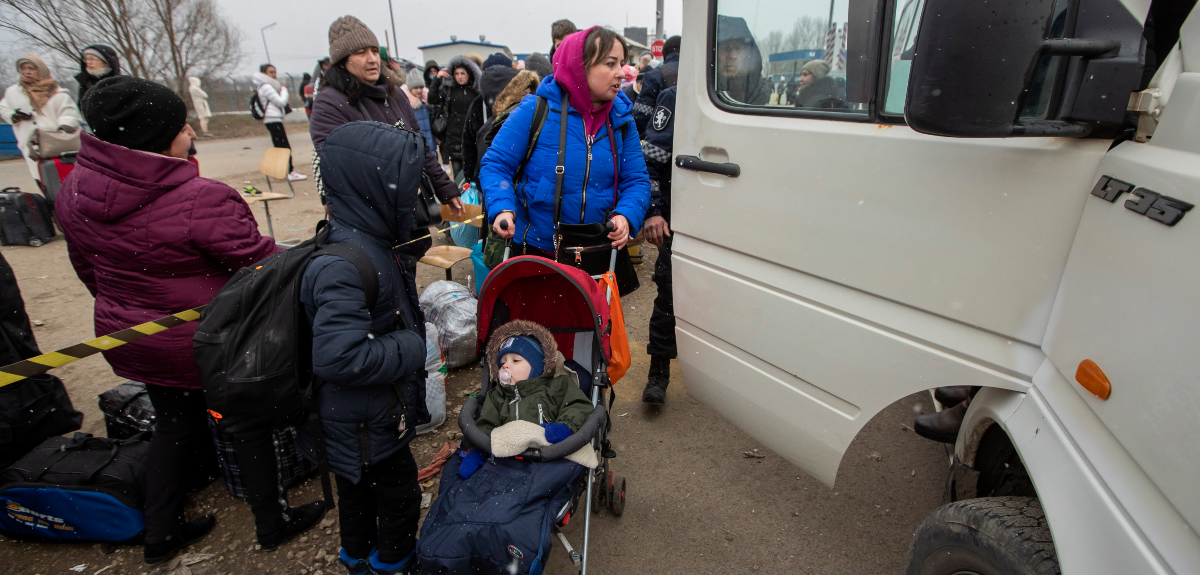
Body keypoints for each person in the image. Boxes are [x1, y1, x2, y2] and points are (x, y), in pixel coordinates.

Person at [56, 76, 298, 565]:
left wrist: (129, 309)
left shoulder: (75, 190)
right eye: (180, 123)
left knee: (173, 428)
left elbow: (88, 270)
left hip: (136, 337)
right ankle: (273, 522)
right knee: (244, 425)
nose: (190, 129)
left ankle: (161, 531)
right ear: (158, 138)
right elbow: (263, 266)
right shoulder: (202, 199)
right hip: (211, 344)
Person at [307, 121, 428, 575]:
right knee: (398, 497)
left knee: (356, 492)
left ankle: (356, 557)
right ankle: (393, 563)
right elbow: (340, 356)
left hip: (361, 414)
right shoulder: (345, 263)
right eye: (405, 188)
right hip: (362, 418)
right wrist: (411, 346)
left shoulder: (368, 240)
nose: (414, 198)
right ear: (374, 186)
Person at [481, 27, 651, 257]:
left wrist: (626, 214)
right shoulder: (534, 110)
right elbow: (496, 164)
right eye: (611, 64)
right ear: (580, 66)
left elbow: (636, 181)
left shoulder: (622, 120)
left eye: (622, 63)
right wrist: (502, 207)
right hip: (536, 250)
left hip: (597, 251)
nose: (621, 73)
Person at [308, 15, 463, 263]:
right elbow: (341, 171)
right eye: (360, 52)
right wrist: (394, 194)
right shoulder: (329, 104)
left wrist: (444, 187)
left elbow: (419, 146)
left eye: (373, 50)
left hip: (407, 218)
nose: (372, 59)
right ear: (342, 60)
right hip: (366, 225)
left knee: (407, 278)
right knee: (379, 288)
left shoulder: (394, 94)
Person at [456, 320, 594, 478]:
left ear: (536, 366)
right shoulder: (497, 396)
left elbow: (578, 406)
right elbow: (487, 423)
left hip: (551, 459)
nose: (506, 366)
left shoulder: (558, 386)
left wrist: (565, 427)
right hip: (507, 462)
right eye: (502, 363)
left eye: (515, 360)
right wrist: (478, 450)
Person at [640, 85, 677, 404]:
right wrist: (654, 210)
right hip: (682, 217)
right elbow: (650, 159)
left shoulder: (756, 94)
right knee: (670, 293)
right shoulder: (675, 97)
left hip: (730, 220)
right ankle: (658, 371)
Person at [0, 54, 82, 183]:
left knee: (61, 178)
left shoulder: (56, 92)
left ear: (41, 70)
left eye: (32, 68)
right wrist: (14, 116)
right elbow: (3, 108)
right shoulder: (13, 92)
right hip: (30, 146)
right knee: (40, 178)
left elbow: (69, 112)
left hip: (55, 143)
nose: (27, 72)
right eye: (24, 68)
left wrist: (65, 125)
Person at [459, 53, 518, 184]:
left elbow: (468, 143)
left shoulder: (478, 103)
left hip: (484, 176)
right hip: (516, 174)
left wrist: (469, 176)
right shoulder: (522, 100)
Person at [253, 63, 306, 181]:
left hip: (272, 119)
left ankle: (280, 171)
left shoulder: (264, 86)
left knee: (279, 146)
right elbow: (281, 102)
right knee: (284, 146)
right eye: (270, 72)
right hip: (273, 119)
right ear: (263, 74)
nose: (274, 74)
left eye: (274, 72)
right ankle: (289, 172)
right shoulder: (267, 87)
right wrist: (284, 90)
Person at [433, 55, 481, 178]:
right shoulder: (449, 90)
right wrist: (437, 79)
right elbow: (432, 98)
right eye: (456, 73)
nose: (459, 76)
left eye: (462, 73)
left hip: (471, 136)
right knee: (458, 175)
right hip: (454, 137)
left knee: (473, 175)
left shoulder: (475, 91)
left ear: (469, 74)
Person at [715, 16, 770, 105]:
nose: (732, 55)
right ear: (713, 51)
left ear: (747, 55)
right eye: (724, 47)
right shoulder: (703, 91)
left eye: (738, 48)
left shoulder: (758, 93)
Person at [633, 35, 680, 136]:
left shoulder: (654, 75)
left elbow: (642, 115)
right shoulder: (702, 75)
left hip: (662, 141)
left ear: (665, 54)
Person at [402, 68, 436, 155]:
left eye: (421, 87)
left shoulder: (426, 102)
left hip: (430, 145)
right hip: (416, 147)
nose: (419, 90)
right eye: (416, 88)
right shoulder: (406, 105)